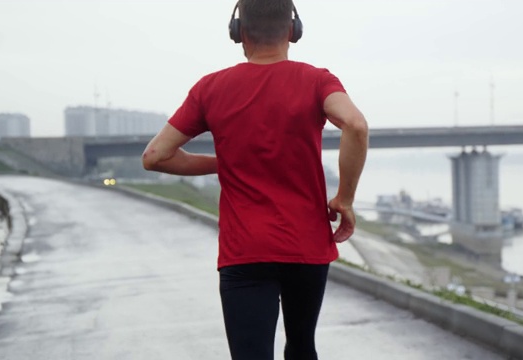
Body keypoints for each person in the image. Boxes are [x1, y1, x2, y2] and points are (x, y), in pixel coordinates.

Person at [142, 0, 368, 358]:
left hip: (244, 251)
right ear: (292, 31)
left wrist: (228, 162)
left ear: (239, 33)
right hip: (306, 247)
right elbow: (355, 125)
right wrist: (345, 199)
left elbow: (155, 156)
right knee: (302, 345)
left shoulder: (210, 88)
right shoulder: (318, 80)